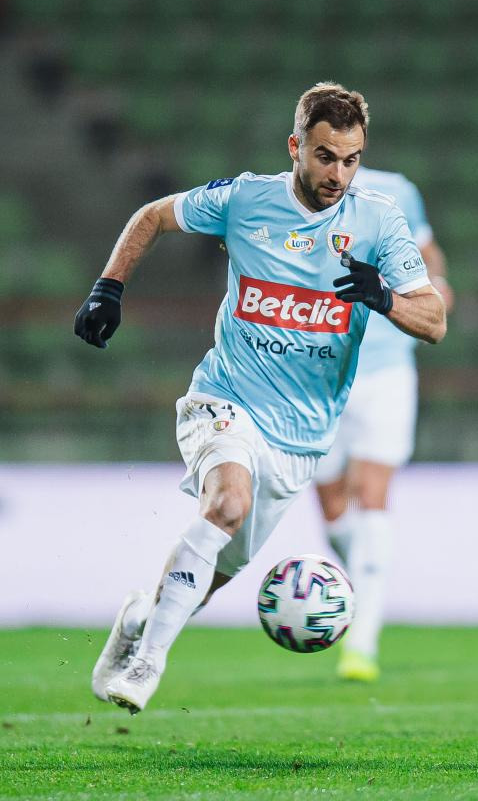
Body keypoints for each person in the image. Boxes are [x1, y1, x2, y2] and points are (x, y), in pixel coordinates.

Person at [76, 82, 447, 714]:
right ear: (295, 146)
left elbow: (434, 320)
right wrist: (108, 287)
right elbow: (153, 215)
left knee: (213, 575)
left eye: (351, 160)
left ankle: (139, 620)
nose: (338, 175)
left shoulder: (378, 220)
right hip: (226, 398)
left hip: (300, 437)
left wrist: (384, 298)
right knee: (227, 502)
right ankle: (148, 662)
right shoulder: (247, 198)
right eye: (325, 157)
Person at [313, 166, 453, 682]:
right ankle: (363, 578)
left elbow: (428, 253)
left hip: (386, 368)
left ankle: (362, 642)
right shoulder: (292, 196)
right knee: (332, 505)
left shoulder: (395, 191)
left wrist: (437, 287)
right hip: (319, 370)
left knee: (372, 494)